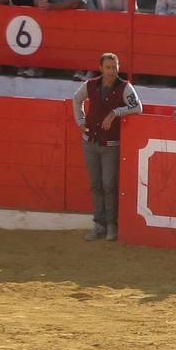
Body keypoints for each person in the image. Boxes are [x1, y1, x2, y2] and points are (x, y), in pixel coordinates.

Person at [73, 53, 142, 242]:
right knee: (96, 185)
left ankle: (111, 224)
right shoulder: (91, 85)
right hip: (90, 141)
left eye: (115, 67)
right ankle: (100, 224)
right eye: (109, 67)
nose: (112, 71)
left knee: (109, 185)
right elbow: (76, 99)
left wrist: (115, 112)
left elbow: (138, 108)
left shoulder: (125, 87)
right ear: (101, 68)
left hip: (111, 144)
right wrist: (79, 120)